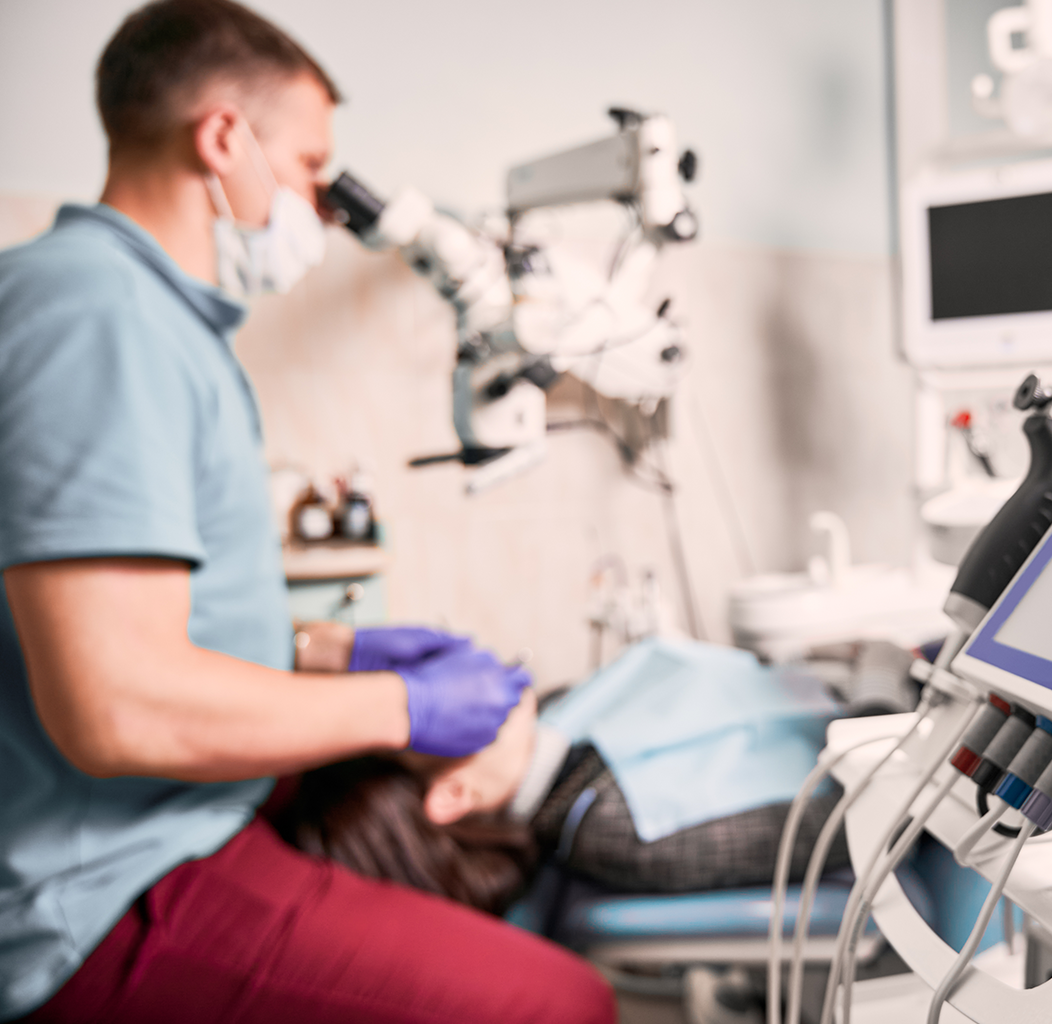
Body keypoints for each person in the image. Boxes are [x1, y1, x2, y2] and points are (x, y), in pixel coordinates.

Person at [0, 2, 613, 1021]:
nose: (323, 205)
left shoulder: (152, 319)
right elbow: (116, 705)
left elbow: (126, 618)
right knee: (560, 1002)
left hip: (180, 815)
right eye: (311, 165)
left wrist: (333, 652)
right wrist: (406, 710)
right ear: (224, 137)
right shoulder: (94, 313)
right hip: (103, 886)